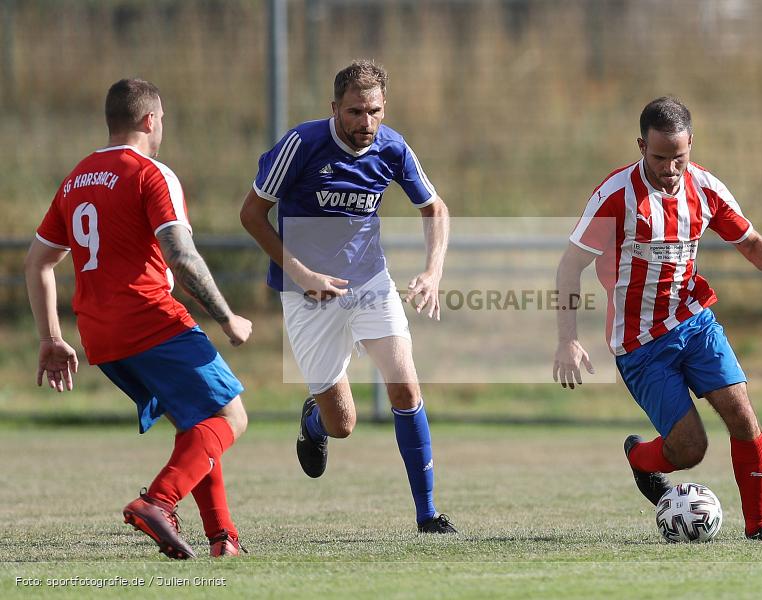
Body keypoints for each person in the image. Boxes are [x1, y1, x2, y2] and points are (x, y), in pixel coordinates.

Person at [553, 97, 762, 542]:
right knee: (691, 449)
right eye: (660, 158)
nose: (670, 168)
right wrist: (567, 340)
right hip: (640, 345)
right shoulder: (615, 197)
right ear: (641, 146)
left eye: (679, 158)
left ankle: (760, 525)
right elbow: (569, 266)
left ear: (691, 147)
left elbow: (750, 243)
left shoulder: (705, 189)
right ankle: (640, 458)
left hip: (693, 323)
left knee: (742, 414)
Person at [25, 78, 253, 559]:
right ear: (151, 120)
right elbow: (182, 257)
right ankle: (156, 502)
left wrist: (50, 337)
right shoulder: (150, 173)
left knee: (198, 426)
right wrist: (228, 317)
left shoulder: (76, 178)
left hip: (99, 334)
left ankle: (222, 539)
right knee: (231, 416)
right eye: (163, 119)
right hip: (150, 319)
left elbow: (38, 261)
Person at [240, 60, 456, 533]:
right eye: (355, 111)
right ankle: (315, 422)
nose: (365, 122)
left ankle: (428, 515)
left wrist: (432, 271)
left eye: (374, 111)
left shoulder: (392, 147)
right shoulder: (301, 145)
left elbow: (434, 208)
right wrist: (296, 269)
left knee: (405, 386)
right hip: (306, 293)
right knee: (343, 424)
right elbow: (253, 213)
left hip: (368, 282)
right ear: (335, 107)